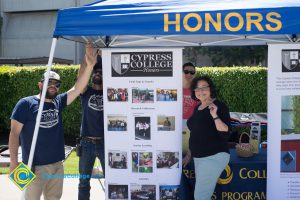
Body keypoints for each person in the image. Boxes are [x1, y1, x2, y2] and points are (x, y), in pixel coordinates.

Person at [8, 43, 97, 200]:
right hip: (33, 167)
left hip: (57, 165)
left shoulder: (58, 102)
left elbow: (77, 88)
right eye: (49, 82)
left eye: (57, 84)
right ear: (40, 84)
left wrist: (89, 65)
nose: (53, 86)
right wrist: (14, 163)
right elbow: (14, 134)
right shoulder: (26, 104)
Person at [183, 76, 231, 200]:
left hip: (213, 156)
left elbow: (226, 131)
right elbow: (195, 133)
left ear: (210, 89)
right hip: (199, 157)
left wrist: (215, 115)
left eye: (204, 87)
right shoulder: (197, 108)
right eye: (197, 88)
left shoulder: (219, 106)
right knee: (202, 194)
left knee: (201, 195)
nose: (201, 91)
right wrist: (189, 154)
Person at [78, 49, 105, 200]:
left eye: (100, 71)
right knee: (83, 182)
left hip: (105, 143)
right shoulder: (85, 92)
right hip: (86, 143)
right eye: (95, 72)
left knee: (113, 180)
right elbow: (80, 77)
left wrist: (104, 56)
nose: (97, 74)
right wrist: (87, 57)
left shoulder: (110, 92)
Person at [180, 62, 198, 200]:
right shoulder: (173, 89)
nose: (189, 75)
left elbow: (199, 124)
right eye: (186, 71)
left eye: (192, 72)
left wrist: (191, 151)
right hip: (175, 135)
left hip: (192, 136)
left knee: (193, 172)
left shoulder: (197, 93)